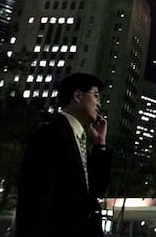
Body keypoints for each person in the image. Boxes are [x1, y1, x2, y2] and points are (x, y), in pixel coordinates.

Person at [14, 73, 111, 237]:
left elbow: (97, 189)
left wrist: (100, 145)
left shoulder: (79, 139)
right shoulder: (50, 134)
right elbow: (34, 198)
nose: (99, 103)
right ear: (77, 96)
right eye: (95, 96)